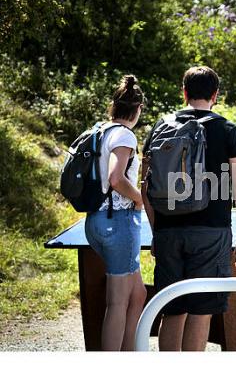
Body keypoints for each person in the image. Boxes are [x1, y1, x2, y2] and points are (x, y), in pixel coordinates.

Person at [142, 66, 236, 351]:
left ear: (184, 92)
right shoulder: (228, 130)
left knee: (172, 308)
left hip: (168, 231)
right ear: (215, 95)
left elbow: (146, 186)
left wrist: (157, 232)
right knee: (202, 309)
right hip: (211, 233)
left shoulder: (161, 127)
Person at [84, 75, 147, 351]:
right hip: (118, 223)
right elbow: (115, 178)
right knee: (117, 302)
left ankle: (129, 355)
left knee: (138, 294)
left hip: (96, 220)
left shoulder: (101, 131)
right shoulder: (125, 135)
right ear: (138, 109)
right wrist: (140, 199)